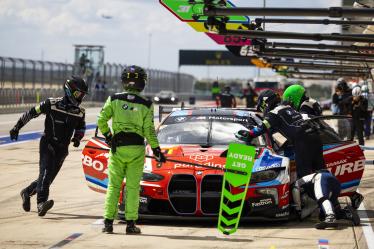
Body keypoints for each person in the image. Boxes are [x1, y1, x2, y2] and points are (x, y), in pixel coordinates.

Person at [98, 65, 166, 235]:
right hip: (136, 150)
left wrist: (108, 136)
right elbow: (149, 130)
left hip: (117, 148)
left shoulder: (113, 98)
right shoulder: (146, 104)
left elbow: (101, 120)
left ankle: (108, 223)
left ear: (124, 81)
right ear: (142, 83)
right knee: (133, 188)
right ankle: (130, 224)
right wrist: (157, 151)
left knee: (113, 186)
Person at [10, 76, 87, 216]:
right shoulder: (51, 104)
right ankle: (41, 204)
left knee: (47, 179)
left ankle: (26, 192)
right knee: (45, 174)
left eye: (82, 95)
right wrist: (16, 127)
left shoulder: (80, 112)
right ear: (69, 91)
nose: (80, 97)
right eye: (78, 93)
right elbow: (31, 113)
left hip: (63, 150)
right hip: (48, 144)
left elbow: (81, 128)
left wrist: (77, 138)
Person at [292, 170, 360, 229]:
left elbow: (295, 186)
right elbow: (310, 208)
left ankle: (330, 217)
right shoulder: (311, 195)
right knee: (324, 214)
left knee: (322, 198)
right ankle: (347, 214)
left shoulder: (300, 181)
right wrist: (299, 215)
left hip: (321, 178)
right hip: (336, 183)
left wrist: (298, 208)